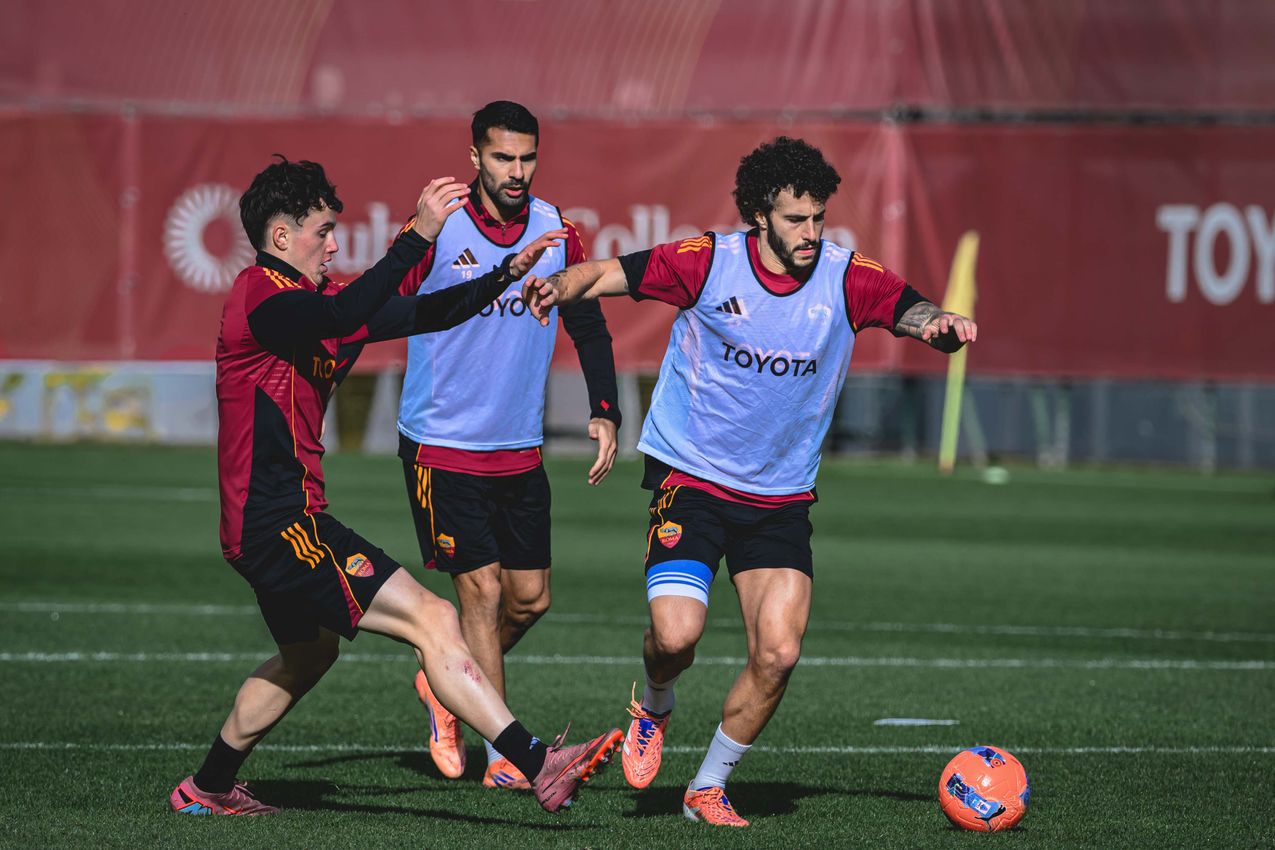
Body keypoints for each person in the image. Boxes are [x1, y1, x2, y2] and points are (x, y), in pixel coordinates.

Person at [524, 137, 977, 827]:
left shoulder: (844, 276)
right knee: (675, 638)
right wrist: (559, 285)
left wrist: (938, 326)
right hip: (693, 478)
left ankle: (706, 787)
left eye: (818, 218)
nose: (810, 233)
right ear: (759, 214)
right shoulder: (707, 262)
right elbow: (604, 273)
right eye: (796, 219)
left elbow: (912, 311)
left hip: (780, 497)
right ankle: (654, 701)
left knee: (779, 652)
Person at [168, 155, 621, 817]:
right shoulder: (258, 293)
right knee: (433, 617)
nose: (332, 243)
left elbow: (425, 313)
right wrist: (418, 235)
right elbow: (352, 307)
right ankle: (536, 763)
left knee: (306, 655)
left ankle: (206, 787)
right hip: (280, 524)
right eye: (322, 231)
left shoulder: (314, 304)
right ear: (282, 236)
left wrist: (501, 275)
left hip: (272, 523)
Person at [395, 101, 621, 790]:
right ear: (475, 158)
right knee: (484, 595)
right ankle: (506, 757)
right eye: (502, 158)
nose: (516, 171)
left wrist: (605, 409)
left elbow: (586, 320)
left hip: (518, 448)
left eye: (526, 158)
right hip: (441, 446)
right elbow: (380, 300)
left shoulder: (557, 229)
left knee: (530, 600)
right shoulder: (440, 225)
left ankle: (446, 682)